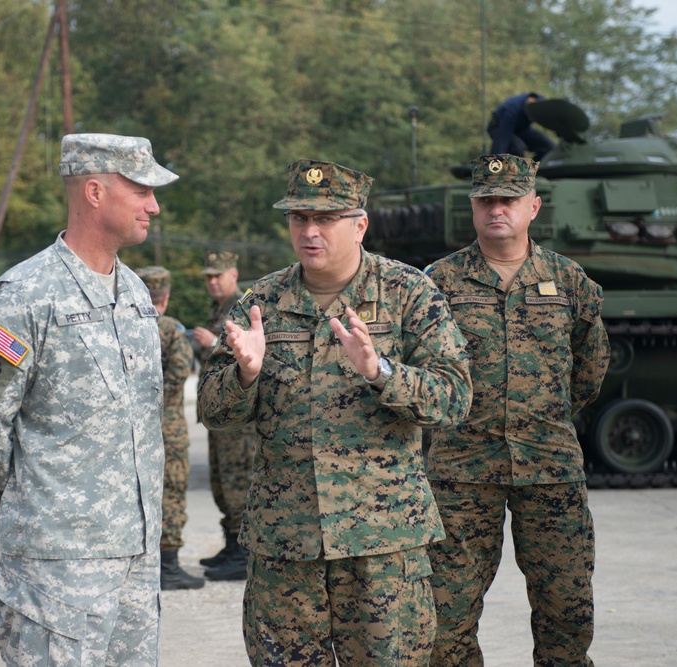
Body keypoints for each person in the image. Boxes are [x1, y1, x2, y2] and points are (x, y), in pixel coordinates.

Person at [199, 159, 472, 665]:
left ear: (360, 225)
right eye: (299, 218)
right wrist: (245, 376)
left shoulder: (407, 292)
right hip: (285, 546)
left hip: (383, 544)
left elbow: (454, 398)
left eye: (325, 218)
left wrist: (381, 372)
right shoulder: (261, 302)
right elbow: (213, 412)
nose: (310, 230)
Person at [0, 133, 178, 665]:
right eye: (141, 189)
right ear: (95, 192)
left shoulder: (137, 294)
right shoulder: (24, 297)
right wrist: (27, 508)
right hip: (56, 566)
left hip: (136, 559)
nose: (154, 204)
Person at [424, 154, 610, 667]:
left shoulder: (568, 281)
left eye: (508, 199)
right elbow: (418, 367)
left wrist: (542, 415)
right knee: (445, 615)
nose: (496, 209)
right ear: (473, 207)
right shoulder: (436, 282)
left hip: (549, 467)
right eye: (486, 200)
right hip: (460, 470)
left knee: (567, 611)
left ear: (533, 206)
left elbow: (591, 366)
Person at [135, 266, 205, 591]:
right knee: (172, 491)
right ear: (165, 296)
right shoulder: (170, 329)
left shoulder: (123, 324)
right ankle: (169, 566)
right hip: (167, 427)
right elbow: (182, 371)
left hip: (129, 428)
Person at [192, 250, 259, 581]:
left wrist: (212, 342)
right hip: (218, 413)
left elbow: (244, 352)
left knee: (237, 482)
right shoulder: (217, 309)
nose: (213, 281)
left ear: (233, 275)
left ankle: (242, 551)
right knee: (221, 482)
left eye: (218, 275)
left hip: (237, 416)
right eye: (208, 277)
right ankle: (232, 545)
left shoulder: (241, 307)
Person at [487, 92, 554, 161]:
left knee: (549, 147)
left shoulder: (540, 103)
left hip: (521, 128)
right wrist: (495, 162)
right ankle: (516, 170)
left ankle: (533, 169)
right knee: (517, 148)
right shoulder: (511, 110)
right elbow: (501, 141)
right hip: (499, 126)